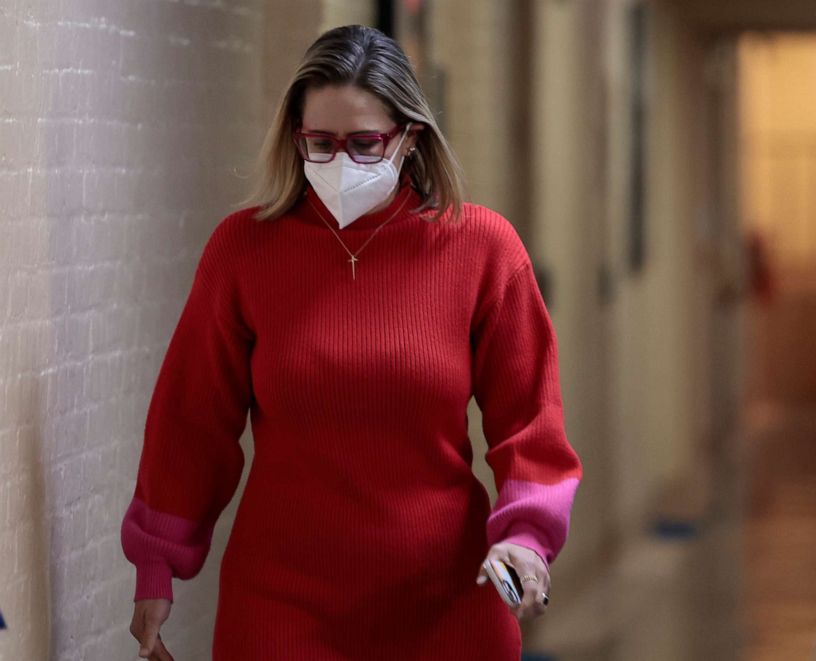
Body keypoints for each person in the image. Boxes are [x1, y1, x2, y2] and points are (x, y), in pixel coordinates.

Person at [121, 23, 583, 661]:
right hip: (280, 607)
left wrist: (526, 539)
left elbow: (531, 423)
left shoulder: (481, 250)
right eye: (320, 143)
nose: (341, 162)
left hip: (443, 605)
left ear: (410, 139)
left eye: (365, 144)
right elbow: (190, 422)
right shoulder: (244, 251)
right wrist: (156, 565)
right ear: (295, 138)